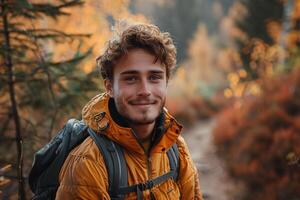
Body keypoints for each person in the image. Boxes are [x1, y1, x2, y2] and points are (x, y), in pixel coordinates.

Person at [56, 22, 203, 199]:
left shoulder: (176, 147)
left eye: (154, 77)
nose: (145, 90)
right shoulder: (88, 162)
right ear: (109, 87)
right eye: (131, 78)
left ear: (166, 83)